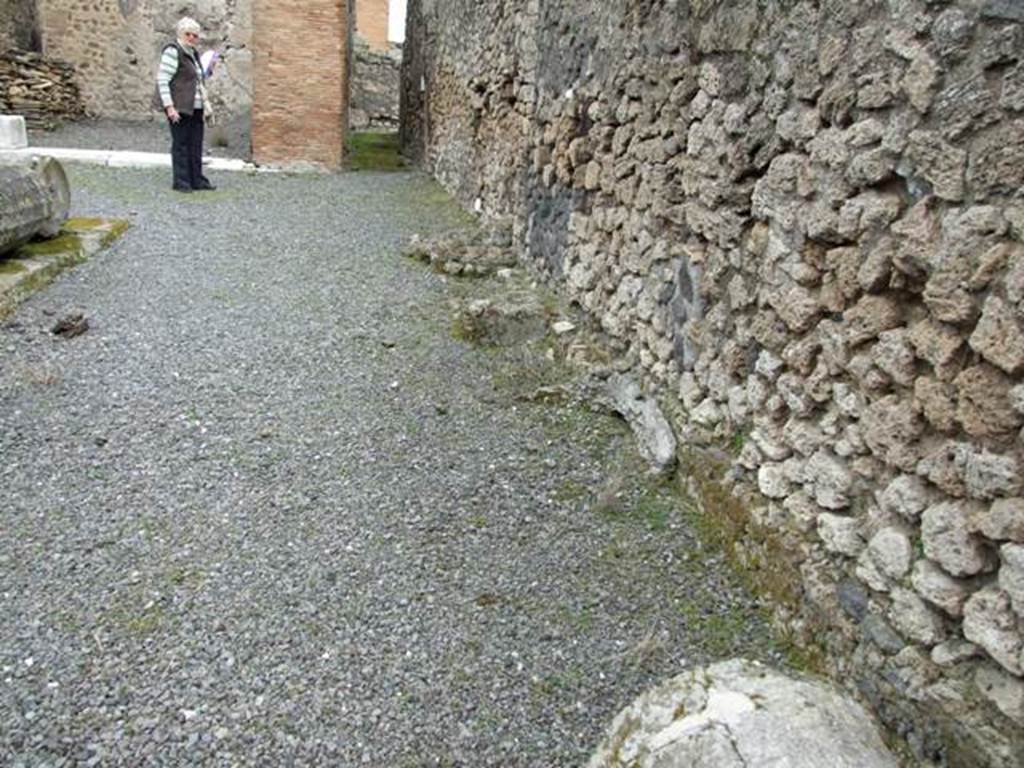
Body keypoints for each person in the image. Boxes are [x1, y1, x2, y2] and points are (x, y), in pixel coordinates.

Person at [156, 17, 216, 193]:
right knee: (181, 144)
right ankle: (181, 181)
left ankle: (197, 179)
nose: (191, 38)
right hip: (180, 106)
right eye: (188, 34)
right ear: (180, 34)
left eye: (195, 35)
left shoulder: (193, 53)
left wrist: (208, 70)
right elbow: (162, 80)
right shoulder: (173, 51)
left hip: (196, 107)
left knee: (195, 144)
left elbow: (195, 80)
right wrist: (169, 107)